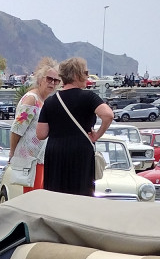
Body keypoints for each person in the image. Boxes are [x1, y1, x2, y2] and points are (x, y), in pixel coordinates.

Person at [34, 57, 112, 196]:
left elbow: (41, 134)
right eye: (86, 72)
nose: (87, 76)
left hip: (56, 152)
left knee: (55, 193)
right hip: (80, 151)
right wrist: (97, 135)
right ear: (76, 75)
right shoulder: (88, 97)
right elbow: (108, 115)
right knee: (80, 193)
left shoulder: (51, 101)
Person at [3, 58, 59, 200]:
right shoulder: (31, 99)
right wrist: (12, 152)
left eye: (56, 80)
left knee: (39, 198)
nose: (52, 83)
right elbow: (17, 128)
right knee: (31, 198)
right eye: (49, 79)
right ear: (40, 79)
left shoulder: (44, 101)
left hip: (40, 158)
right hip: (29, 159)